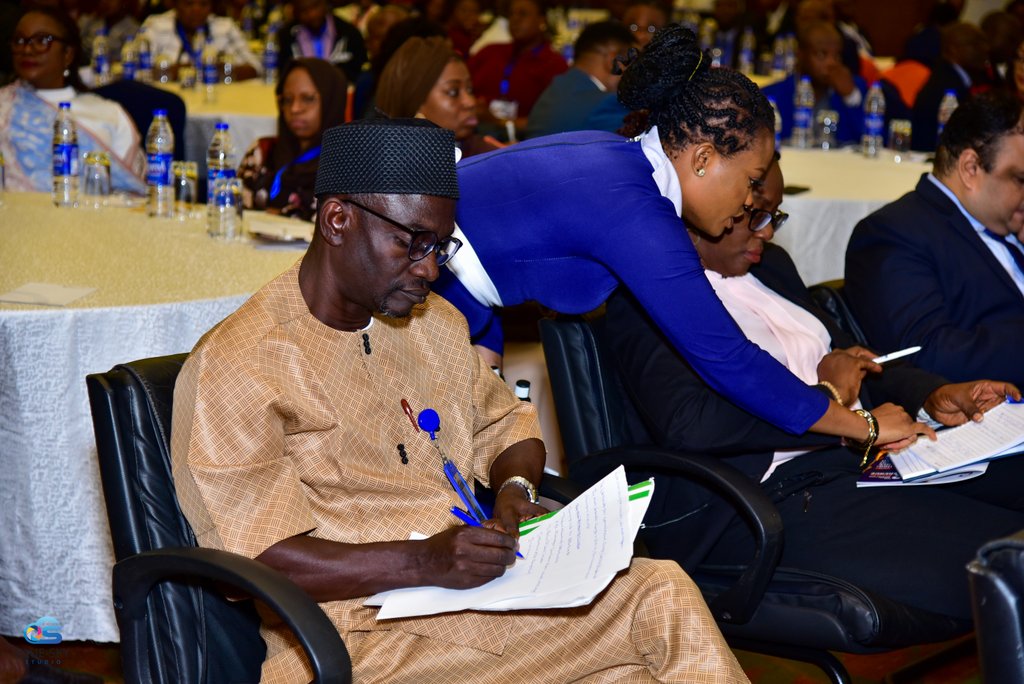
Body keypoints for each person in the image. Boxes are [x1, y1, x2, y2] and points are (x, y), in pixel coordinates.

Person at [170, 117, 750, 683]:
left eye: (441, 246)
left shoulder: (434, 325)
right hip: (361, 639)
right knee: (657, 599)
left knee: (638, 661)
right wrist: (424, 561)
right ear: (338, 219)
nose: (429, 269)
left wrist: (515, 491)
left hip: (482, 603)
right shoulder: (241, 364)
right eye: (412, 243)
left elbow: (508, 424)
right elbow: (252, 559)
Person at [435, 25, 929, 452]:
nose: (750, 202)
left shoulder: (616, 159)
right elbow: (729, 359)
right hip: (419, 294)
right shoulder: (636, 212)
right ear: (703, 158)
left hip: (454, 300)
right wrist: (863, 426)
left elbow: (488, 265)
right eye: (751, 181)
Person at [604, 153, 1024, 623]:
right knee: (1008, 561)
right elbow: (693, 425)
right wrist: (833, 404)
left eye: (775, 216)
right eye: (754, 216)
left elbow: (858, 362)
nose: (767, 232)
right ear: (695, 210)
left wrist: (933, 396)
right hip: (769, 496)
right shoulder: (642, 298)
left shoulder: (771, 267)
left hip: (859, 461)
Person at [846, 90, 1024, 387]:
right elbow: (927, 353)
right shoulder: (893, 233)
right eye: (1020, 179)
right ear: (970, 168)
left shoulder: (1006, 222)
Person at [0, 6, 146, 193]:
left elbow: (132, 190)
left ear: (68, 54)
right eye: (19, 41)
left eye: (42, 40)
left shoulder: (110, 113)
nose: (27, 49)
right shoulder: (4, 105)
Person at [238, 58, 346, 221]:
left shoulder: (346, 165)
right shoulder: (262, 152)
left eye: (307, 98)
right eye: (287, 100)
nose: (294, 109)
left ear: (331, 101)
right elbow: (232, 213)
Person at [376, 36, 500, 157]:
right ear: (414, 102)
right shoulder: (382, 163)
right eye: (453, 92)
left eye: (470, 90)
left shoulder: (486, 156)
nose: (471, 102)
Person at [468, 0, 567, 131]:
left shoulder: (554, 65)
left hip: (525, 139)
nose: (515, 20)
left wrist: (497, 121)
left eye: (523, 14)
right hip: (474, 130)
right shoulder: (490, 52)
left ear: (541, 20)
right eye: (511, 14)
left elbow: (551, 121)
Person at [761, 21, 866, 146]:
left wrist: (850, 97)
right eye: (822, 54)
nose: (831, 63)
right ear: (800, 55)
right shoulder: (771, 96)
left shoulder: (855, 89)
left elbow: (874, 141)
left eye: (837, 56)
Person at [524, 20, 634, 139]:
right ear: (613, 60)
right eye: (631, 62)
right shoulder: (607, 105)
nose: (633, 72)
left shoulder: (553, 90)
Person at [910, 22, 992, 152]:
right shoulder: (946, 85)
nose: (985, 48)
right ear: (954, 49)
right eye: (975, 44)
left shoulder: (952, 76)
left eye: (985, 42)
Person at [140, 0, 261, 81]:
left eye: (204, 4)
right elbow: (136, 72)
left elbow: (257, 68)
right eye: (189, 4)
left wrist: (226, 71)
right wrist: (177, 71)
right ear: (175, 5)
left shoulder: (225, 27)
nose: (196, 10)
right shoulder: (155, 25)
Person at [279, 0, 367, 84]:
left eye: (315, 6)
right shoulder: (287, 37)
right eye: (304, 10)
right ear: (295, 11)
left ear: (325, 3)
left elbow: (360, 72)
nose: (312, 14)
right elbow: (283, 76)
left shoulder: (349, 33)